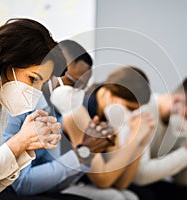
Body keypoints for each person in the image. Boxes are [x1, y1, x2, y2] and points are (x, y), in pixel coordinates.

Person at [0, 40, 115, 200]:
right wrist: (78, 156)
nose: (76, 91)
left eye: (82, 87)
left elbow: (57, 184)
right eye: (73, 83)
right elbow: (22, 183)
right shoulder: (18, 107)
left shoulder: (54, 113)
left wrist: (86, 153)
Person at [0, 18, 62, 200]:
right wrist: (17, 144)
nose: (36, 91)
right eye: (32, 79)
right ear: (6, 62)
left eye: (42, 84)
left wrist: (23, 149)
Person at [61, 66, 156, 200]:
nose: (131, 114)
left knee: (130, 196)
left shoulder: (108, 117)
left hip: (84, 184)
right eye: (129, 108)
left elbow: (120, 183)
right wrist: (136, 137)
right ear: (110, 94)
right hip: (61, 184)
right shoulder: (79, 112)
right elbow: (103, 180)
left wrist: (142, 142)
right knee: (114, 197)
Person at [129, 76, 187, 200]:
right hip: (125, 179)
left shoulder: (178, 125)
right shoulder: (144, 111)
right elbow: (139, 176)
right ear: (177, 101)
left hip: (149, 181)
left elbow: (182, 181)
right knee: (147, 196)